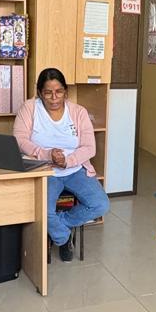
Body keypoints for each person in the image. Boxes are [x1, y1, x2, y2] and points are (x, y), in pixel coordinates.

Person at [13, 67, 109, 261]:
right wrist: (46, 154)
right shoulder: (29, 108)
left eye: (59, 91)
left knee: (100, 205)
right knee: (41, 210)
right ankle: (63, 238)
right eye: (48, 92)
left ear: (66, 91)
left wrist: (68, 161)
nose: (54, 98)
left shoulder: (78, 112)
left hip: (75, 169)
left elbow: (89, 148)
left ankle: (61, 224)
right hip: (44, 170)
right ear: (39, 92)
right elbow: (19, 139)